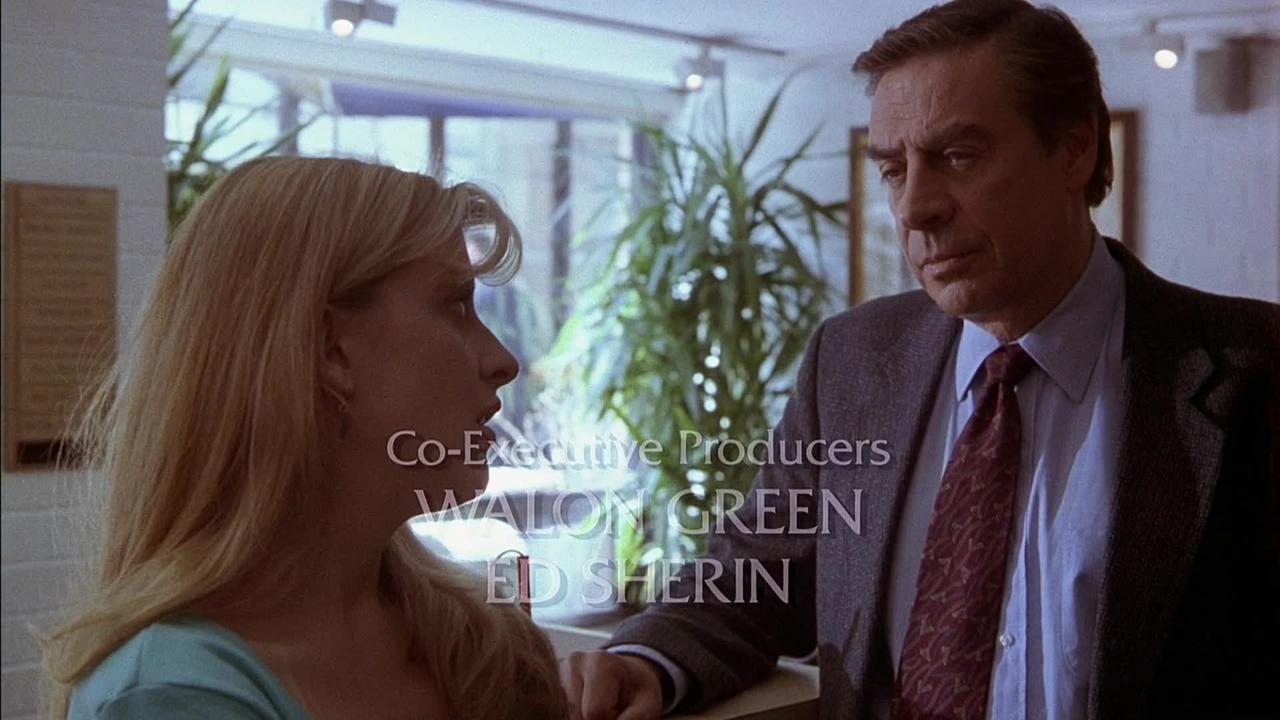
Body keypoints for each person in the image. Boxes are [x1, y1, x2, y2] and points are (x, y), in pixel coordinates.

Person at [560, 0, 1280, 718]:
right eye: (892, 170)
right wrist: (645, 662)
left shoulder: (1254, 368)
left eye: (958, 157)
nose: (914, 208)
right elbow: (753, 576)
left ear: (1074, 150)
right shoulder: (852, 362)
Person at [41, 157, 569, 719]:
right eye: (456, 305)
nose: (503, 361)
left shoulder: (483, 647)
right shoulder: (171, 693)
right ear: (329, 349)